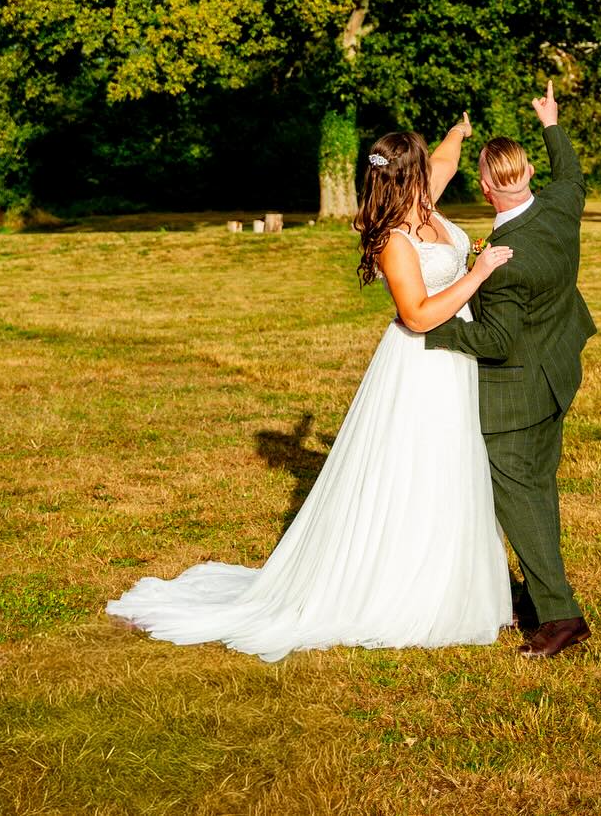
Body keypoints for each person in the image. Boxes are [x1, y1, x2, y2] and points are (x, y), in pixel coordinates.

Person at [105, 115, 515, 661]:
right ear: (408, 178)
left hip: (454, 361)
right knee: (417, 469)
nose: (435, 175)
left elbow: (445, 162)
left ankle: (455, 578)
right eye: (424, 168)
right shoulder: (395, 237)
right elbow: (416, 316)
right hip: (420, 366)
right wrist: (478, 272)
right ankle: (403, 589)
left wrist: (460, 133)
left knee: (453, 465)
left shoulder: (424, 201)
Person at [423, 79, 597, 660]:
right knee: (538, 491)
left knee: (519, 499)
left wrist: (427, 324)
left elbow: (495, 339)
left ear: (483, 185)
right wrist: (551, 121)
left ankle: (559, 615)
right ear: (525, 176)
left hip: (516, 389)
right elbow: (571, 172)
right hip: (557, 370)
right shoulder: (558, 205)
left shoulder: (504, 260)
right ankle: (529, 595)